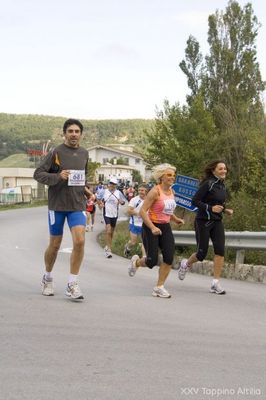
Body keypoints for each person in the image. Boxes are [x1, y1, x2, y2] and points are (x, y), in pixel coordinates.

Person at [33, 118, 88, 300]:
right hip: (57, 206)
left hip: (77, 205)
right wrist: (58, 176)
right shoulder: (56, 152)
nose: (74, 134)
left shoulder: (84, 153)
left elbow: (80, 180)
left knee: (79, 241)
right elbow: (38, 174)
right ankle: (47, 277)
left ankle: (72, 284)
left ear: (81, 134)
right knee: (55, 245)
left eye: (77, 131)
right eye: (70, 131)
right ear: (64, 133)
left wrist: (89, 193)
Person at [128, 163, 185, 298]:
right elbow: (142, 211)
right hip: (150, 226)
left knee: (169, 258)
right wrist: (153, 227)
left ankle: (159, 287)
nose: (172, 177)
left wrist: (175, 219)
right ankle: (136, 262)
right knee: (151, 261)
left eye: (173, 175)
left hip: (165, 227)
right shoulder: (155, 191)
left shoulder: (172, 192)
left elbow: (167, 211)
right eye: (169, 175)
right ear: (161, 177)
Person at [177, 159, 233, 295]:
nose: (223, 171)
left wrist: (225, 210)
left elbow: (217, 203)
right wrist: (210, 208)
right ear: (214, 171)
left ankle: (215, 283)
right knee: (201, 254)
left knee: (220, 251)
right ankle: (186, 264)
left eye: (225, 169)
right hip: (203, 221)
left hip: (217, 222)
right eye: (220, 169)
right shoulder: (208, 184)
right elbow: (195, 201)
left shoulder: (222, 186)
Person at [97, 177, 126, 258]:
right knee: (108, 230)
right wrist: (100, 204)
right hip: (106, 213)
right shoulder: (104, 191)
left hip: (115, 214)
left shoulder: (118, 193)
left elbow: (123, 201)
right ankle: (109, 250)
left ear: (115, 185)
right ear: (108, 184)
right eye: (111, 183)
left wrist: (122, 202)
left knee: (111, 232)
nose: (112, 185)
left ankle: (107, 245)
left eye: (113, 184)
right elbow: (98, 199)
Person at [124, 184, 148, 258]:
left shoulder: (149, 200)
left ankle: (144, 257)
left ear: (146, 191)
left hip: (145, 224)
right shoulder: (134, 199)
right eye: (139, 190)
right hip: (134, 223)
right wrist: (139, 213)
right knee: (133, 242)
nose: (141, 192)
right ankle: (127, 248)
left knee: (144, 242)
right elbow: (129, 210)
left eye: (142, 190)